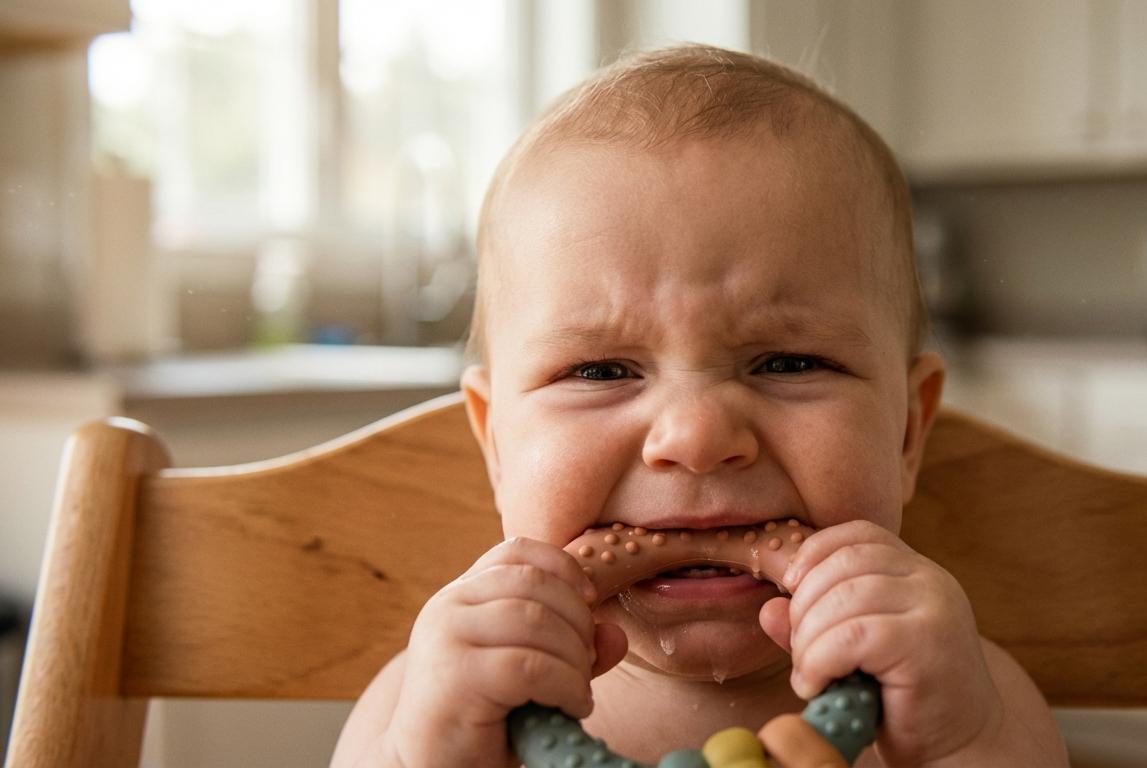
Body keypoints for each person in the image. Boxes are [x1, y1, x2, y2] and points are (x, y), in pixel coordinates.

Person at [331, 44, 1066, 767]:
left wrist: (964, 746)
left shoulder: (963, 701)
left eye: (787, 362)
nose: (697, 435)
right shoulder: (434, 709)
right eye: (600, 369)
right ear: (497, 446)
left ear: (907, 432)